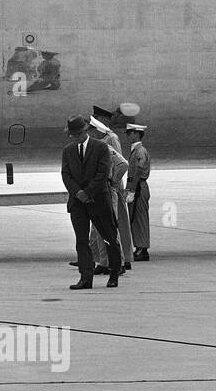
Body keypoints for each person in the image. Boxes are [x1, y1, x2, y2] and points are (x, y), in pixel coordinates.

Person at [61, 114, 121, 289]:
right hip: (78, 202)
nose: (74, 138)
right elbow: (66, 175)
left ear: (84, 132)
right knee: (82, 241)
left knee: (109, 237)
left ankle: (114, 273)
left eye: (76, 134)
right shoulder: (68, 151)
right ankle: (86, 277)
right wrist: (78, 192)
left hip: (99, 200)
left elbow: (103, 174)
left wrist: (87, 192)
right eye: (72, 135)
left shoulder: (101, 148)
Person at [87, 113, 133, 276]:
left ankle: (118, 263)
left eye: (90, 131)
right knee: (98, 229)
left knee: (109, 227)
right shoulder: (94, 146)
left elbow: (123, 164)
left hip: (107, 190)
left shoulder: (106, 145)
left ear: (96, 132)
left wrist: (113, 181)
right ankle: (104, 262)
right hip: (97, 191)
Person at [126, 124, 151, 261]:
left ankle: (142, 249)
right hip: (137, 186)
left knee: (139, 218)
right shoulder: (136, 150)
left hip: (139, 187)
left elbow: (139, 171)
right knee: (135, 218)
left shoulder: (140, 151)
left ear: (136, 134)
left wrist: (132, 190)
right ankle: (139, 248)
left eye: (129, 133)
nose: (127, 135)